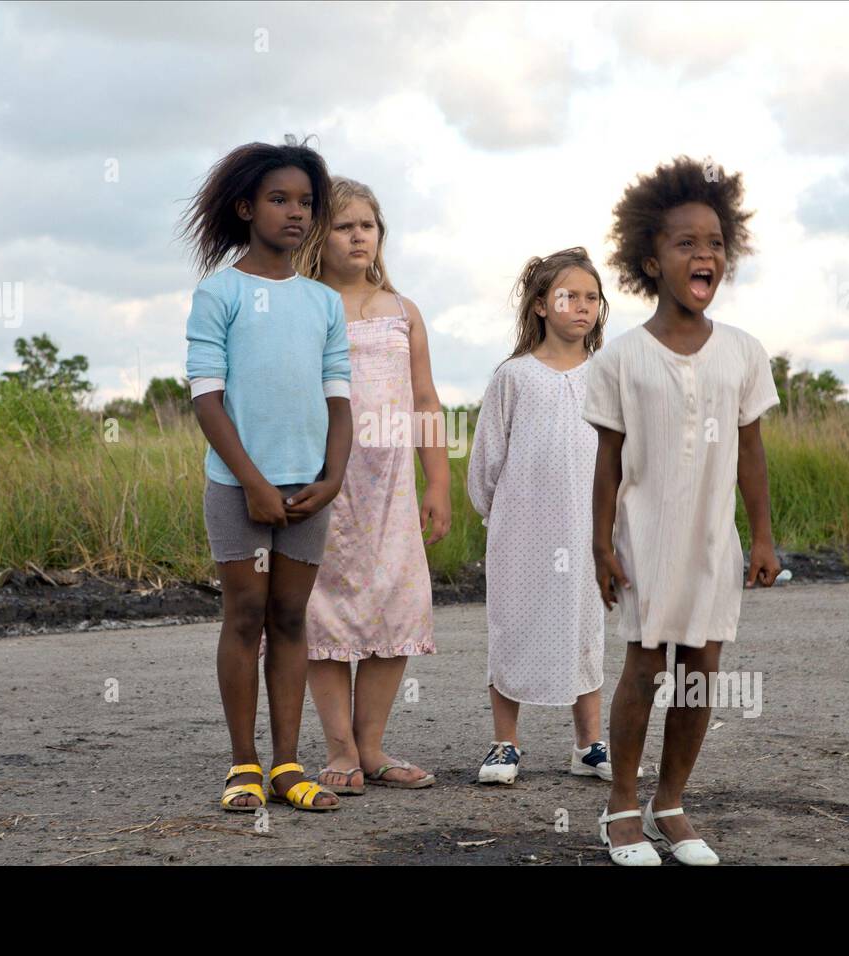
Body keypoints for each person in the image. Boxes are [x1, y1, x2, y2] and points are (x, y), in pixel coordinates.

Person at [583, 156, 781, 865]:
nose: (705, 255)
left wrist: (760, 536)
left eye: (716, 243)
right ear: (651, 260)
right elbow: (605, 461)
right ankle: (622, 808)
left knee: (701, 666)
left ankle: (672, 803)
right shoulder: (620, 360)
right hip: (644, 534)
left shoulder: (743, 353)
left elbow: (752, 452)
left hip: (711, 539)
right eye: (686, 244)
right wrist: (600, 544)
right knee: (644, 666)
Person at [180, 139, 352, 813]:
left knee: (289, 616)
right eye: (280, 200)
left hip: (309, 489)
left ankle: (288, 764)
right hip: (237, 487)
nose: (296, 214)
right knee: (245, 616)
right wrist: (250, 480)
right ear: (247, 207)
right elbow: (205, 396)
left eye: (306, 202)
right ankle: (244, 765)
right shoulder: (218, 292)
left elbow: (338, 396)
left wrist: (333, 478)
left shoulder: (323, 302)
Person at [293, 177, 451, 794]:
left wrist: (437, 482)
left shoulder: (401, 311)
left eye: (368, 225)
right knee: (322, 610)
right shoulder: (306, 305)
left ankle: (374, 747)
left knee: (396, 600)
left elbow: (426, 400)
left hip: (392, 488)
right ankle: (339, 751)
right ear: (317, 235)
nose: (359, 236)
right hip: (325, 481)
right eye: (343, 225)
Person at [467, 247, 618, 786]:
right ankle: (505, 744)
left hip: (587, 533)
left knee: (584, 627)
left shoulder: (607, 375)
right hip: (521, 531)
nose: (582, 307)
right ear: (539, 305)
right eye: (568, 296)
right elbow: (486, 461)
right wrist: (503, 517)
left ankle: (589, 745)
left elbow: (622, 456)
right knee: (513, 625)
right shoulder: (513, 377)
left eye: (591, 298)